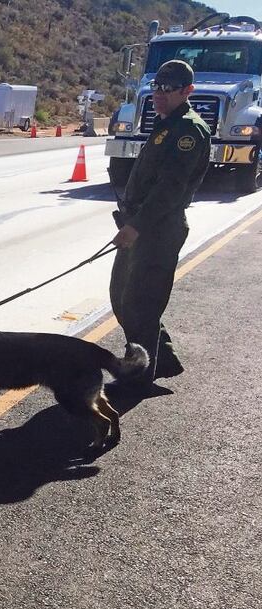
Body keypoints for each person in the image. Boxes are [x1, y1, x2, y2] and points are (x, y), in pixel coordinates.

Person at [108, 59, 210, 396]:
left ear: (187, 91)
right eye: (156, 87)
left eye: (168, 89)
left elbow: (171, 188)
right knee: (123, 298)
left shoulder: (189, 130)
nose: (159, 94)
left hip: (158, 229)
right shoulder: (167, 123)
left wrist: (136, 226)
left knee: (140, 302)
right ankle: (161, 358)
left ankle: (138, 376)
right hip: (143, 224)